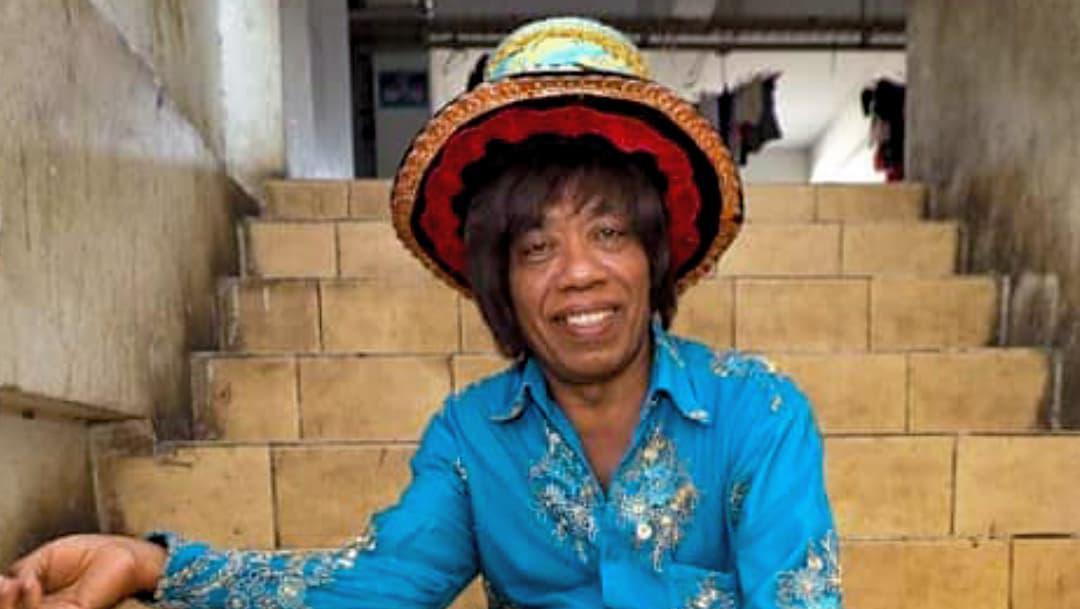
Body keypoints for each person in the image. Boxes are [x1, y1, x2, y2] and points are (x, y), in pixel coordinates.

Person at [0, 16, 840, 609]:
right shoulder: (472, 440)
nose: (579, 274)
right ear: (499, 282)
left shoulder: (759, 415)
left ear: (654, 253)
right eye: (536, 246)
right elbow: (371, 585)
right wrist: (151, 564)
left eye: (609, 232)